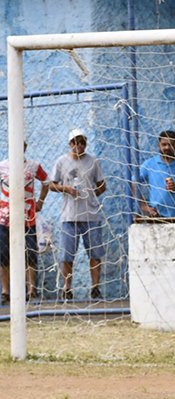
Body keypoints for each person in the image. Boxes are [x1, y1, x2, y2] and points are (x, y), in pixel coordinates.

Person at [49, 128, 105, 300]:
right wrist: (65, 189)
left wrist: (92, 193)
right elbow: (51, 184)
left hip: (90, 215)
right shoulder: (61, 162)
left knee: (95, 253)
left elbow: (102, 185)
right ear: (70, 144)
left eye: (82, 142)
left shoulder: (93, 161)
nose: (79, 145)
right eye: (76, 142)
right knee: (67, 254)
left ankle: (95, 287)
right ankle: (67, 288)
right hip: (69, 216)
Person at [0, 141, 49, 304]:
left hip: (27, 218)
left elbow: (46, 182)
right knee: (3, 255)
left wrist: (40, 202)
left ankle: (31, 290)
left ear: (24, 149)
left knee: (30, 254)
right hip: (5, 218)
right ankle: (6, 292)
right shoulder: (2, 166)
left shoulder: (33, 166)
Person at [138, 130, 175, 219]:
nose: (167, 147)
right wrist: (143, 206)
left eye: (171, 144)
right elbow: (133, 183)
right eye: (164, 144)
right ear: (158, 146)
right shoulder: (149, 164)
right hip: (156, 216)